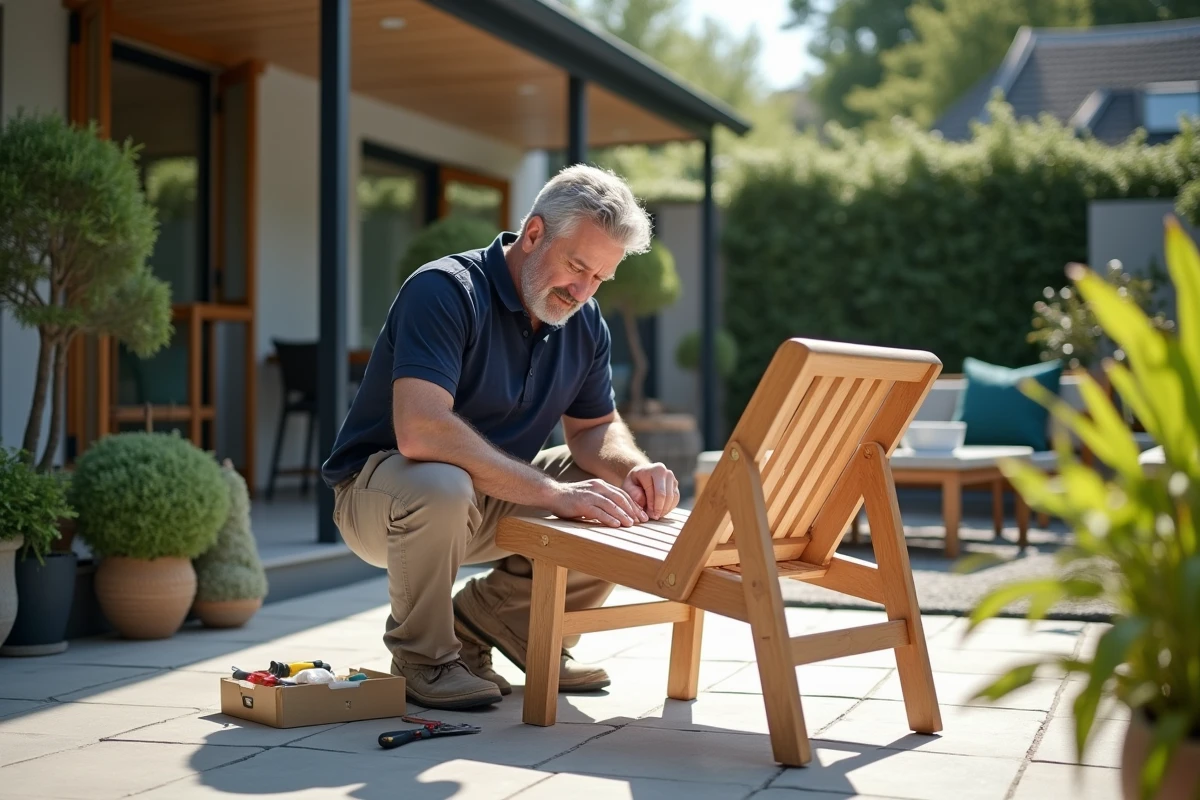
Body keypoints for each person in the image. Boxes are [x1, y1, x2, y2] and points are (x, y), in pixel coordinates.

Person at [321, 164, 682, 711]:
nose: (582, 291)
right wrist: (552, 495)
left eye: (598, 279)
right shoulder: (444, 290)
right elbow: (420, 430)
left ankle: (508, 621)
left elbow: (594, 430)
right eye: (576, 267)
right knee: (443, 484)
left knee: (613, 491)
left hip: (492, 496)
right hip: (384, 498)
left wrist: (633, 469)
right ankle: (426, 658)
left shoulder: (585, 324)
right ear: (534, 234)